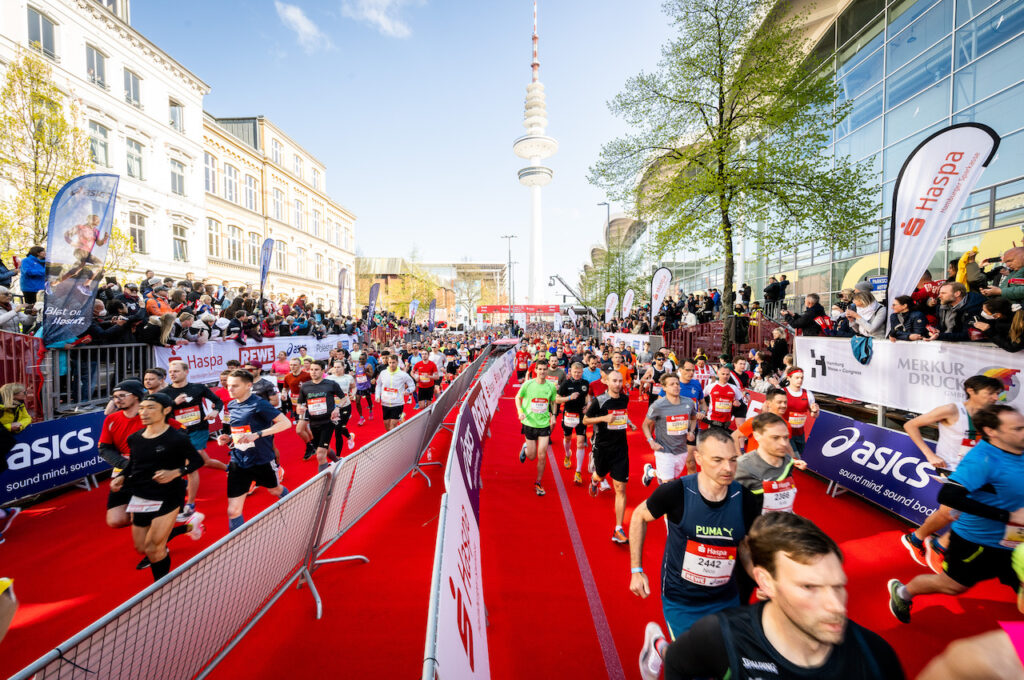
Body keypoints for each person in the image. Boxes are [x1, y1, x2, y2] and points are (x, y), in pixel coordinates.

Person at [639, 512, 904, 680]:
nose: (836, 606)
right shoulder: (720, 634)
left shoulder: (877, 657)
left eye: (838, 586)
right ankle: (660, 646)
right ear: (765, 583)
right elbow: (678, 664)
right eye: (809, 588)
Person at [888, 404, 1024, 624]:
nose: (1023, 432)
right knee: (951, 586)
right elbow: (949, 497)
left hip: (1015, 542)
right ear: (991, 431)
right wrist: (1006, 516)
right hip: (977, 543)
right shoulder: (983, 459)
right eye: (1017, 429)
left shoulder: (1019, 449)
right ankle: (903, 592)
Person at [629, 428, 762, 642]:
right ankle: (660, 648)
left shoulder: (744, 498)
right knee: (693, 666)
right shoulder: (676, 492)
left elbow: (745, 546)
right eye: (717, 460)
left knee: (724, 663)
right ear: (698, 458)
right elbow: (638, 516)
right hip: (682, 600)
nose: (728, 468)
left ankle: (663, 651)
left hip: (726, 598)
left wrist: (759, 578)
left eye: (733, 460)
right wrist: (636, 570)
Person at [901, 375, 1005, 571]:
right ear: (971, 391)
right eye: (990, 393)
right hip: (951, 469)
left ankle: (926, 541)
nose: (995, 397)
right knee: (951, 512)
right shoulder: (952, 410)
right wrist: (929, 454)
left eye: (997, 394)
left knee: (960, 513)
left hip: (977, 471)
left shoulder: (992, 414)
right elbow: (910, 425)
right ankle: (929, 543)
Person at [109, 393, 205, 581]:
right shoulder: (135, 438)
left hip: (169, 494)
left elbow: (196, 462)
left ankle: (162, 587)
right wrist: (121, 476)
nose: (143, 412)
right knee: (142, 547)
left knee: (154, 547)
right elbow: (134, 463)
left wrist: (176, 472)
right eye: (142, 408)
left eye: (150, 408)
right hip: (141, 495)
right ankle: (189, 528)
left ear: (166, 410)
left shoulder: (177, 438)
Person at [216, 369, 292, 531]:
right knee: (232, 510)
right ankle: (238, 543)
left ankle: (291, 503)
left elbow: (285, 423)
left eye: (235, 386)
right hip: (238, 460)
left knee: (274, 490)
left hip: (261, 459)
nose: (230, 389)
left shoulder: (259, 404)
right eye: (229, 385)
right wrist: (228, 437)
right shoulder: (231, 404)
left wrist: (257, 435)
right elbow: (238, 429)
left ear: (248, 385)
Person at [160, 361, 227, 520]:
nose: (172, 374)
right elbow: (161, 413)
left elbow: (217, 401)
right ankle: (229, 468)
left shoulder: (198, 388)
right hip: (178, 433)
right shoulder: (165, 393)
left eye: (176, 371)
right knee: (204, 460)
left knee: (190, 463)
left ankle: (190, 505)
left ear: (186, 371)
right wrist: (173, 403)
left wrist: (215, 411)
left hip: (198, 430)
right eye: (170, 371)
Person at [584, 369, 632, 542]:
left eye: (620, 381)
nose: (618, 384)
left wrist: (629, 423)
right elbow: (585, 420)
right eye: (614, 381)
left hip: (620, 448)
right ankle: (594, 480)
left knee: (620, 488)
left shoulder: (625, 399)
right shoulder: (599, 401)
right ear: (607, 382)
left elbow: (621, 416)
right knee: (600, 474)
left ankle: (618, 529)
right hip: (602, 447)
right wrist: (603, 419)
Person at [735, 412, 807, 512]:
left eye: (785, 437)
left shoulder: (787, 461)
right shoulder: (741, 468)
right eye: (775, 438)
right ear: (757, 436)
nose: (784, 444)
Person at [641, 372, 697, 487]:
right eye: (671, 384)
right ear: (664, 388)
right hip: (664, 450)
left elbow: (693, 418)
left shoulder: (689, 402)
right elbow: (645, 425)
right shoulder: (658, 405)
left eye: (677, 383)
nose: (676, 386)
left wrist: (691, 431)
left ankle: (651, 472)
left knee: (672, 476)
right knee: (669, 485)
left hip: (681, 449)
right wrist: (651, 441)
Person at [515, 357, 558, 497]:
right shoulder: (528, 384)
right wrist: (520, 412)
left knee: (542, 454)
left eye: (545, 369)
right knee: (532, 456)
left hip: (544, 424)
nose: (542, 372)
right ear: (535, 370)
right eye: (539, 369)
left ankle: (538, 482)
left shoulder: (551, 386)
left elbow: (553, 402)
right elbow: (517, 397)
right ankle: (525, 448)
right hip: (529, 423)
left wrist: (554, 415)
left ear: (547, 370)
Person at [296, 361, 344, 472]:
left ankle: (325, 484)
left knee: (320, 454)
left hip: (328, 422)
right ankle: (337, 461)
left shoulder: (331, 384)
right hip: (313, 423)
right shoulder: (305, 386)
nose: (313, 372)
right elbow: (300, 403)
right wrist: (299, 408)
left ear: (323, 371)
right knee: (325, 449)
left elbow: (343, 398)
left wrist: (337, 408)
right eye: (311, 369)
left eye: (316, 369)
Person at [557, 362, 590, 485]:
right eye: (575, 372)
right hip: (569, 415)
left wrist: (588, 405)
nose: (577, 374)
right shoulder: (566, 383)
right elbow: (557, 398)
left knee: (581, 443)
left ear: (582, 372)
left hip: (581, 416)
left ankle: (578, 471)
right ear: (571, 372)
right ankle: (567, 454)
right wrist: (569, 398)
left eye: (579, 372)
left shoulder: (585, 383)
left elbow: (587, 397)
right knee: (568, 438)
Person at [733, 387, 790, 453]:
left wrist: (793, 459)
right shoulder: (755, 421)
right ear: (768, 403)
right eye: (779, 402)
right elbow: (735, 436)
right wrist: (740, 456)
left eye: (785, 402)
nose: (783, 405)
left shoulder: (786, 425)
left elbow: (787, 447)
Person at [374, 353, 415, 432]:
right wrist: (377, 396)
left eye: (393, 362)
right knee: (387, 425)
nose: (391, 364)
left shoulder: (403, 374)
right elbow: (378, 385)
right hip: (385, 403)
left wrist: (408, 391)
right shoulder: (383, 373)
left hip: (397, 403)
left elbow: (412, 385)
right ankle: (400, 418)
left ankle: (393, 442)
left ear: (397, 362)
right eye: (390, 363)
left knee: (392, 426)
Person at [784, 368, 817, 455]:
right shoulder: (782, 392)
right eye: (797, 377)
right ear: (789, 378)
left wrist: (815, 411)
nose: (800, 380)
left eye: (801, 378)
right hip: (785, 433)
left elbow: (814, 415)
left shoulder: (808, 394)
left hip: (800, 434)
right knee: (795, 458)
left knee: (801, 458)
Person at [325, 359, 356, 451]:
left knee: (338, 430)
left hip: (345, 406)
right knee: (340, 427)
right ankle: (349, 437)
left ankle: (338, 457)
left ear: (344, 367)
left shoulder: (348, 377)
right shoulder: (329, 378)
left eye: (339, 367)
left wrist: (353, 394)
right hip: (333, 408)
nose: (336, 369)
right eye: (335, 367)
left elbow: (354, 387)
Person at [705, 364, 743, 431]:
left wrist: (738, 402)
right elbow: (701, 398)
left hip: (727, 421)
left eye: (727, 374)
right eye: (723, 374)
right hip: (713, 419)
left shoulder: (733, 388)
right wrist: (705, 407)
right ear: (718, 374)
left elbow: (741, 400)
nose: (725, 376)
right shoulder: (710, 386)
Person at [353, 355, 375, 424]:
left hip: (366, 386)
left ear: (366, 359)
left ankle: (370, 410)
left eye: (363, 359)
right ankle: (361, 417)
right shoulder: (357, 365)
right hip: (359, 387)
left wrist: (366, 372)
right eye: (360, 359)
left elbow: (371, 375)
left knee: (368, 399)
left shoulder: (368, 366)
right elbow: (356, 374)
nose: (361, 360)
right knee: (357, 401)